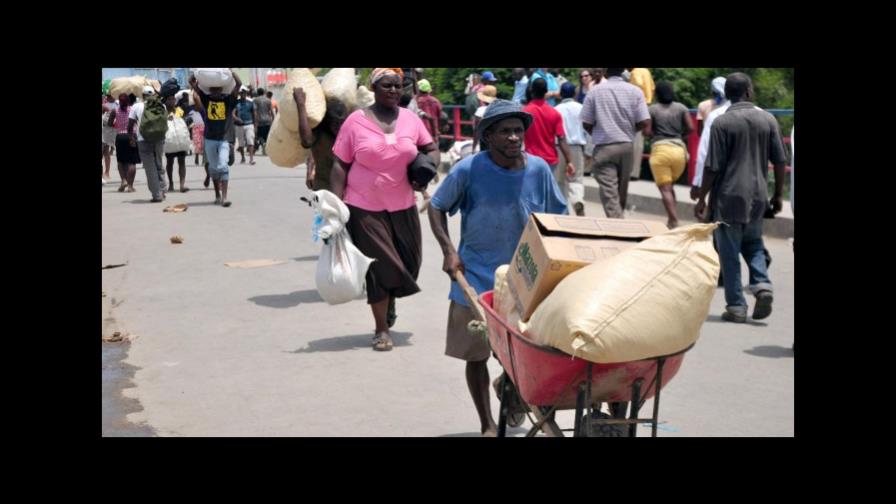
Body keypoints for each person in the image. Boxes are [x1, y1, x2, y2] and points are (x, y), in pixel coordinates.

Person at [428, 99, 568, 437]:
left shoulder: (538, 170)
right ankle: (487, 423)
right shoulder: (468, 170)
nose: (513, 138)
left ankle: (510, 386)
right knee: (476, 355)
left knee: (526, 353)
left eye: (518, 131)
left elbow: (556, 218)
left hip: (526, 279)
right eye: (504, 132)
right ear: (488, 137)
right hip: (475, 276)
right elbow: (436, 206)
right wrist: (449, 250)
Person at [330, 68, 440, 351]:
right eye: (387, 85)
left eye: (398, 86)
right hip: (363, 206)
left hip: (402, 203)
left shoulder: (411, 120)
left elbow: (430, 148)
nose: (394, 90)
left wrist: (427, 168)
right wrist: (335, 207)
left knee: (409, 264)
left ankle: (389, 301)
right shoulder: (355, 122)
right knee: (379, 267)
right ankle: (381, 329)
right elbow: (340, 165)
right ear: (374, 88)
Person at [694, 73, 788, 323]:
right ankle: (762, 284)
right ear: (747, 91)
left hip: (728, 197)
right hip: (758, 195)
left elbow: (712, 166)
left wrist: (702, 197)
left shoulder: (722, 122)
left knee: (729, 251)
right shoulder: (768, 119)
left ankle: (736, 306)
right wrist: (778, 194)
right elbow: (780, 161)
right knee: (754, 243)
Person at [581, 68, 651, 218]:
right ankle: (620, 223)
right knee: (621, 191)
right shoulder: (635, 91)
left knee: (610, 195)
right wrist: (630, 130)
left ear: (605, 71)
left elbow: (586, 122)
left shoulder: (594, 91)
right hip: (626, 146)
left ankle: (618, 228)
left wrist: (599, 133)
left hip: (604, 147)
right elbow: (645, 121)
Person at [646, 81, 694, 229]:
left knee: (665, 189)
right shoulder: (681, 108)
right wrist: (680, 137)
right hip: (679, 152)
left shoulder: (652, 109)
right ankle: (670, 218)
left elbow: (646, 132)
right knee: (670, 187)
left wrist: (656, 135)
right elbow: (691, 128)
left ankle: (673, 220)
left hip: (661, 151)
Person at [192, 70, 242, 207]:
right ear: (209, 89)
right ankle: (217, 195)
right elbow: (192, 82)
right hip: (209, 139)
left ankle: (225, 197)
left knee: (223, 165)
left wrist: (230, 70)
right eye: (212, 89)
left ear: (221, 89)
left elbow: (239, 84)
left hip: (224, 139)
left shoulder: (228, 100)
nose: (215, 91)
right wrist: (198, 73)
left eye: (217, 89)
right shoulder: (206, 100)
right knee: (213, 168)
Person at [294, 87, 348, 192]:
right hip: (324, 188)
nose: (338, 126)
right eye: (335, 122)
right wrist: (301, 105)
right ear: (326, 121)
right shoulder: (320, 134)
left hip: (348, 191)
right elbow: (307, 142)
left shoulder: (348, 131)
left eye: (341, 122)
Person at [555, 82, 588, 215]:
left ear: (561, 94)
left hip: (559, 147)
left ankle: (563, 209)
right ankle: (577, 200)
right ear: (574, 93)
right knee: (576, 179)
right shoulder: (581, 108)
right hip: (576, 147)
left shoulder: (556, 109)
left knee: (559, 180)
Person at [129, 86, 168, 202]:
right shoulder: (162, 105)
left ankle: (157, 195)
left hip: (143, 139)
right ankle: (162, 190)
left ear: (142, 95)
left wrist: (131, 137)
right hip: (159, 138)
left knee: (150, 168)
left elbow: (130, 124)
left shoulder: (136, 106)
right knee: (159, 164)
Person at [627, 68, 655, 180]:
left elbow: (637, 85)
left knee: (632, 140)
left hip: (636, 106)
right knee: (639, 142)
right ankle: (635, 171)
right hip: (646, 105)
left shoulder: (635, 72)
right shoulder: (646, 71)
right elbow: (652, 87)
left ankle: (630, 172)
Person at [108, 93, 139, 192]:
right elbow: (137, 121)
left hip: (120, 137)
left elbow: (109, 123)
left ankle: (124, 180)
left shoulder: (114, 111)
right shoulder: (133, 110)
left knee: (121, 161)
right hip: (131, 136)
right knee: (132, 162)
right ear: (128, 101)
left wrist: (117, 126)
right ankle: (130, 186)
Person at [163, 94, 190, 193]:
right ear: (165, 101)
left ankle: (182, 185)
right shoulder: (163, 111)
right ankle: (171, 183)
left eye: (173, 99)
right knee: (170, 162)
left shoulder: (179, 110)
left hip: (181, 141)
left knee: (182, 162)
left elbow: (185, 121)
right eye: (169, 99)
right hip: (170, 141)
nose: (172, 101)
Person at [470, 85, 497, 153]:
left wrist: (474, 147)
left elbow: (476, 131)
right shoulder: (497, 109)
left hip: (485, 143)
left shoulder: (480, 111)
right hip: (497, 142)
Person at [233, 86, 256, 165]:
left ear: (246, 93)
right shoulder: (236, 103)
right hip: (239, 125)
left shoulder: (250, 102)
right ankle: (243, 157)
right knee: (241, 142)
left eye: (244, 93)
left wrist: (255, 125)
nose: (243, 94)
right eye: (241, 93)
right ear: (240, 93)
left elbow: (254, 114)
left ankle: (251, 159)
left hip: (249, 124)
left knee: (250, 141)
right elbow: (233, 113)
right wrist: (236, 119)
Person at [102, 94, 118, 181]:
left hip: (105, 130)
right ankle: (106, 173)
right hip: (107, 130)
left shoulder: (106, 105)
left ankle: (107, 172)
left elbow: (110, 112)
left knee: (106, 152)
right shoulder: (108, 104)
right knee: (106, 152)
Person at [253, 87, 274, 155]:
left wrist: (255, 122)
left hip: (260, 121)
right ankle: (266, 147)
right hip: (268, 120)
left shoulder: (255, 100)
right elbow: (271, 111)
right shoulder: (268, 100)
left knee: (259, 135)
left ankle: (263, 144)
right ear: (263, 93)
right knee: (267, 135)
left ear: (257, 93)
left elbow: (255, 112)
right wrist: (273, 119)